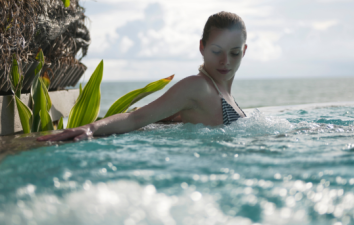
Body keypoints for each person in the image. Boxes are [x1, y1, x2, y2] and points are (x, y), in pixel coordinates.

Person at [37, 11, 248, 142]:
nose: (226, 61)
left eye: (234, 52)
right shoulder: (198, 87)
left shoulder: (223, 94)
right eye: (216, 51)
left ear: (244, 51)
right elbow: (135, 118)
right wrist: (91, 128)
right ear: (202, 47)